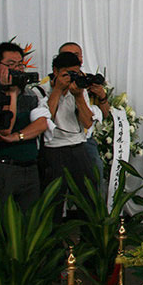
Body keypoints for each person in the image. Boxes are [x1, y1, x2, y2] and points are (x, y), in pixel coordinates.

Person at [0, 42, 51, 211]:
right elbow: (4, 129)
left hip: (29, 168)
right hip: (1, 169)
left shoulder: (30, 95)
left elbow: (42, 124)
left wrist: (17, 137)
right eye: (10, 65)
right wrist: (12, 94)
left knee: (29, 223)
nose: (17, 69)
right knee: (0, 223)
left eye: (20, 65)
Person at [37, 51, 101, 220]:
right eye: (67, 73)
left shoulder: (79, 90)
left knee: (88, 198)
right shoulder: (41, 90)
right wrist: (57, 90)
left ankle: (89, 242)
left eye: (76, 73)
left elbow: (87, 123)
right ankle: (53, 241)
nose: (71, 78)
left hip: (78, 147)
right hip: (53, 150)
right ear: (55, 71)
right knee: (53, 201)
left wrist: (79, 96)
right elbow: (46, 120)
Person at [57, 42, 108, 180]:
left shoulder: (88, 81)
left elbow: (105, 115)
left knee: (94, 177)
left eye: (76, 55)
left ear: (81, 59)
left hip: (85, 139)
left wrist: (102, 95)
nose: (72, 59)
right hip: (58, 141)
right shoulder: (49, 83)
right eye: (67, 55)